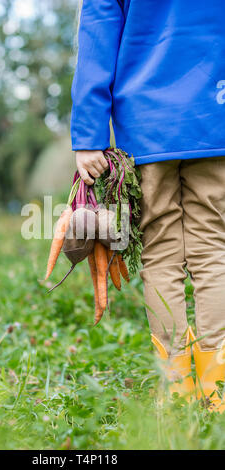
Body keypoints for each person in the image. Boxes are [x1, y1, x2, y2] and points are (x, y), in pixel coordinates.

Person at [71, 0, 225, 411]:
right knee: (214, 248)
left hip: (146, 122)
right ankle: (217, 386)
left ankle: (177, 384)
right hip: (214, 112)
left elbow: (97, 38)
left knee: (160, 252)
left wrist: (87, 134)